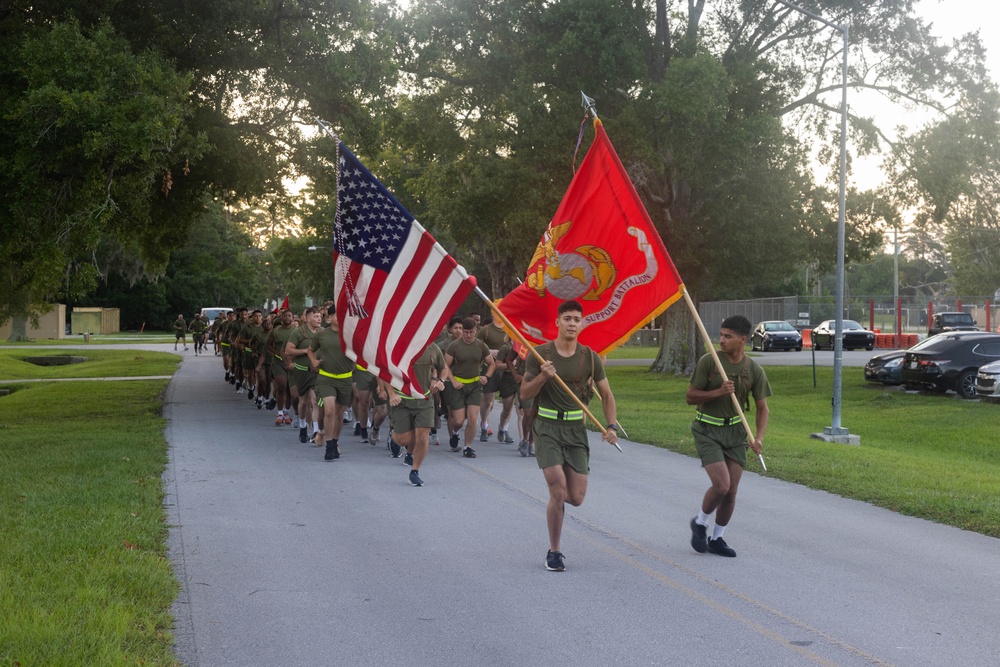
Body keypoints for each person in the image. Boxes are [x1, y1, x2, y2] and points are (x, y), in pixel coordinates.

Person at [520, 300, 618, 572]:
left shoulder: (590, 357)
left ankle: (558, 504)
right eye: (567, 319)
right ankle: (555, 551)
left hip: (576, 430)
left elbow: (607, 395)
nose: (572, 323)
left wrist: (611, 426)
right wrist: (542, 376)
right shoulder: (540, 354)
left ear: (582, 323)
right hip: (547, 427)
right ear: (558, 322)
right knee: (557, 488)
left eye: (577, 319)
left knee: (575, 497)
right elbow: (525, 394)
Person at [686, 314, 771, 559]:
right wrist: (717, 392)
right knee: (721, 485)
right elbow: (691, 397)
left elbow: (763, 408)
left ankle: (717, 538)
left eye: (728, 336)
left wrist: (759, 437)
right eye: (721, 335)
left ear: (743, 340)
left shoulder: (752, 369)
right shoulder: (709, 362)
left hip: (736, 432)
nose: (721, 340)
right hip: (707, 430)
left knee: (731, 491)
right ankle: (700, 522)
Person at [380, 341, 450, 486]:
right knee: (403, 439)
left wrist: (441, 380)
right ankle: (393, 436)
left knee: (423, 436)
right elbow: (385, 372)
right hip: (402, 400)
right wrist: (391, 393)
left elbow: (443, 368)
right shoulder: (399, 345)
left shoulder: (432, 347)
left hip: (424, 399)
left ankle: (415, 471)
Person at [306, 305, 354, 460]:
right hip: (326, 378)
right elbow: (310, 350)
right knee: (329, 411)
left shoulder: (350, 335)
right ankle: (329, 446)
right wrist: (313, 361)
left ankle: (335, 441)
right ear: (329, 318)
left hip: (345, 378)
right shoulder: (322, 334)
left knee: (339, 414)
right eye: (337, 315)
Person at [444, 317, 496, 459]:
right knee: (458, 421)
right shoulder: (454, 345)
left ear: (476, 331)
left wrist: (487, 376)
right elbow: (446, 366)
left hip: (475, 385)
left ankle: (468, 447)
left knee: (472, 418)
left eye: (471, 332)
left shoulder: (480, 345)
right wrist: (453, 381)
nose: (468, 335)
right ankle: (455, 433)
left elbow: (492, 363)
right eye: (465, 332)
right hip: (458, 385)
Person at [476, 317, 508, 442]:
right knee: (488, 401)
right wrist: (489, 351)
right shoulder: (486, 330)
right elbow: (475, 346)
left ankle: (504, 429)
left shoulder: (510, 329)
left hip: (507, 369)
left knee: (507, 404)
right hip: (490, 368)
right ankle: (484, 426)